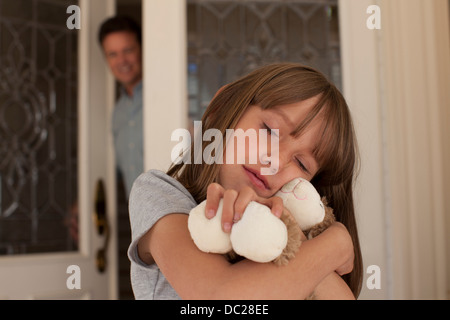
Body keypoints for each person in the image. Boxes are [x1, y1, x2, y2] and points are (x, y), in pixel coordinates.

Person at [128, 63, 363, 299]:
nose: (276, 161)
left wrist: (301, 244)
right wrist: (336, 243)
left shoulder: (296, 240)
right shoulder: (160, 194)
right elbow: (221, 297)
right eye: (269, 130)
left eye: (302, 164)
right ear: (221, 108)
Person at [98, 15, 143, 198]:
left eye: (128, 50)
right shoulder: (118, 113)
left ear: (142, 49)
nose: (122, 61)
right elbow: (117, 170)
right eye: (113, 54)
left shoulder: (166, 99)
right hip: (139, 221)